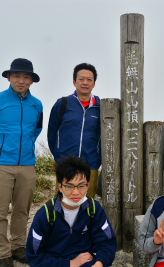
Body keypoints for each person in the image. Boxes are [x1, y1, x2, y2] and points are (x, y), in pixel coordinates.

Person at [0, 58, 43, 267]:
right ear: (8, 77)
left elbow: (36, 131)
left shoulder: (36, 105)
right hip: (1, 165)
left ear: (31, 81)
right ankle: (3, 255)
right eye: (16, 76)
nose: (21, 81)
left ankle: (18, 247)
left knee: (22, 209)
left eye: (26, 77)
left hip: (27, 166)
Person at [26, 155, 117, 267]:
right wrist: (70, 263)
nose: (76, 192)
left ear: (87, 185)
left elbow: (107, 242)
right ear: (60, 187)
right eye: (69, 186)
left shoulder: (94, 208)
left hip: (86, 262)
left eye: (81, 186)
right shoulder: (46, 213)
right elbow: (34, 257)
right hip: (54, 263)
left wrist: (99, 263)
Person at [48, 63, 101, 198]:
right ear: (74, 82)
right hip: (66, 163)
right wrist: (59, 157)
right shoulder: (62, 104)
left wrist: (98, 158)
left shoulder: (101, 107)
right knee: (62, 202)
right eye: (81, 79)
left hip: (91, 164)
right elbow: (52, 132)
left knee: (87, 203)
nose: (85, 83)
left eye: (89, 80)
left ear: (94, 84)